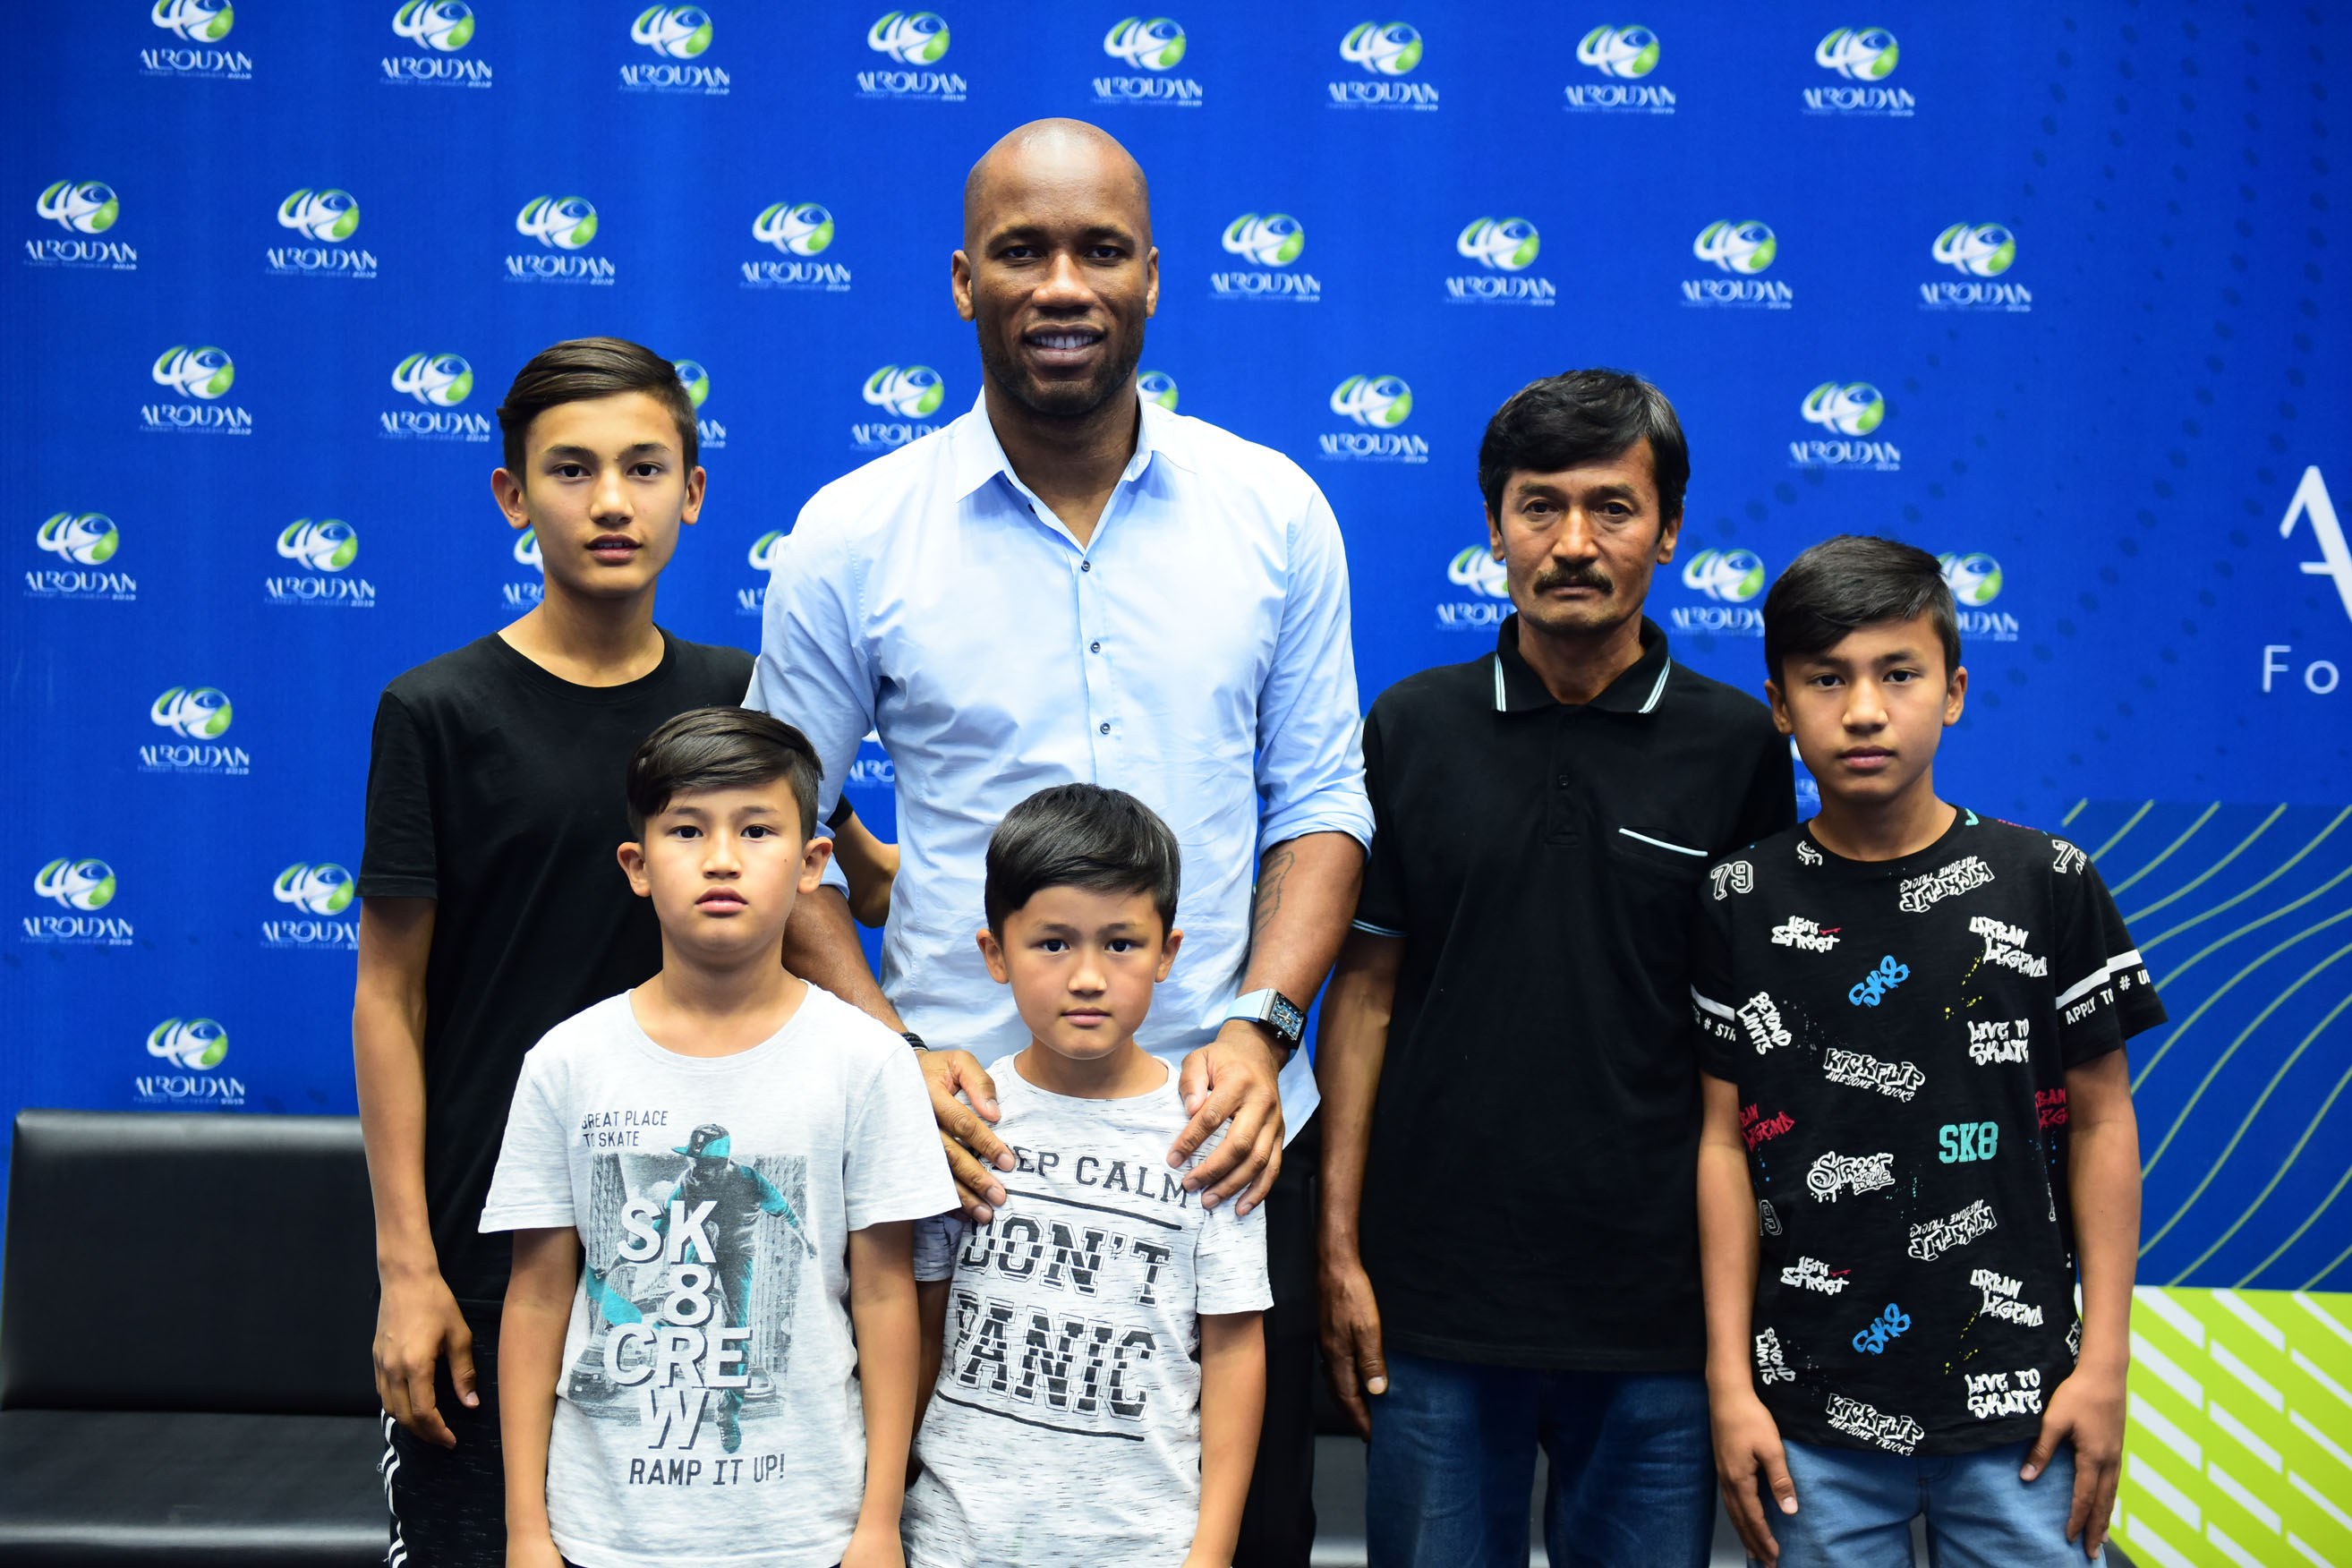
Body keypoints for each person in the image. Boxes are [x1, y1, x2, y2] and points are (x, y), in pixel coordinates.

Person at [749, 118, 1368, 1563]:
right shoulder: (852, 534)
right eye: (1021, 251)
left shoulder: (1274, 511)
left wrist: (1262, 1028)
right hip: (949, 1160)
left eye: (1100, 250)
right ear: (964, 280)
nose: (1063, 285)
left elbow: (1322, 804)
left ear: (1153, 275)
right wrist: (893, 1060)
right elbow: (780, 832)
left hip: (1214, 1151)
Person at [1316, 370, 1795, 1568]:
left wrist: (1737, 1313)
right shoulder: (1412, 726)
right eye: (1540, 507)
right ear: (1494, 528)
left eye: (1613, 508)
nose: (1574, 544)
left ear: (1669, 530)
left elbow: (1747, 1045)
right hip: (1434, 1301)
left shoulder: (1737, 744)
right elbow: (1363, 998)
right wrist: (1339, 1249)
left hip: (1656, 1314)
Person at [353, 337, 756, 1566]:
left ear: (693, 490)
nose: (611, 502)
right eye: (571, 471)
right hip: (489, 1246)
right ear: (512, 495)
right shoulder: (435, 711)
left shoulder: (742, 697)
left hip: (695, 1246)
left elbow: (859, 881)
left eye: (645, 467)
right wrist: (408, 1269)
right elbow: (388, 997)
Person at [1693, 536, 2159, 1566]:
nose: (1864, 710)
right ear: (1780, 705)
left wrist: (2104, 1364)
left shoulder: (2047, 881)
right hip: (1808, 1409)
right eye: (1827, 679)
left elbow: (2102, 1120)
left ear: (1952, 691)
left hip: (2023, 1406)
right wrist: (1730, 1379)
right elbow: (1722, 1142)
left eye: (1898, 674)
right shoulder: (1738, 899)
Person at [482, 707, 953, 1568]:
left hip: (807, 1530)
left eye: (758, 830)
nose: (723, 858)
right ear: (637, 865)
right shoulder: (567, 1063)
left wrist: (879, 1521)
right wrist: (525, 1529)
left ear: (813, 863)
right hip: (606, 1533)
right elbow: (538, 1298)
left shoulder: (869, 1062)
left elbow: (888, 1296)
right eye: (687, 830)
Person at [902, 783, 1269, 1568]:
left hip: (1143, 1546)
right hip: (955, 1541)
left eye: (1121, 944)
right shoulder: (964, 1125)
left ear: (1167, 953)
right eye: (1053, 943)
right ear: (995, 953)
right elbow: (923, 1326)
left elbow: (1234, 1352)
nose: (1089, 977)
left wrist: (1211, 1552)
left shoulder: (1210, 1134)